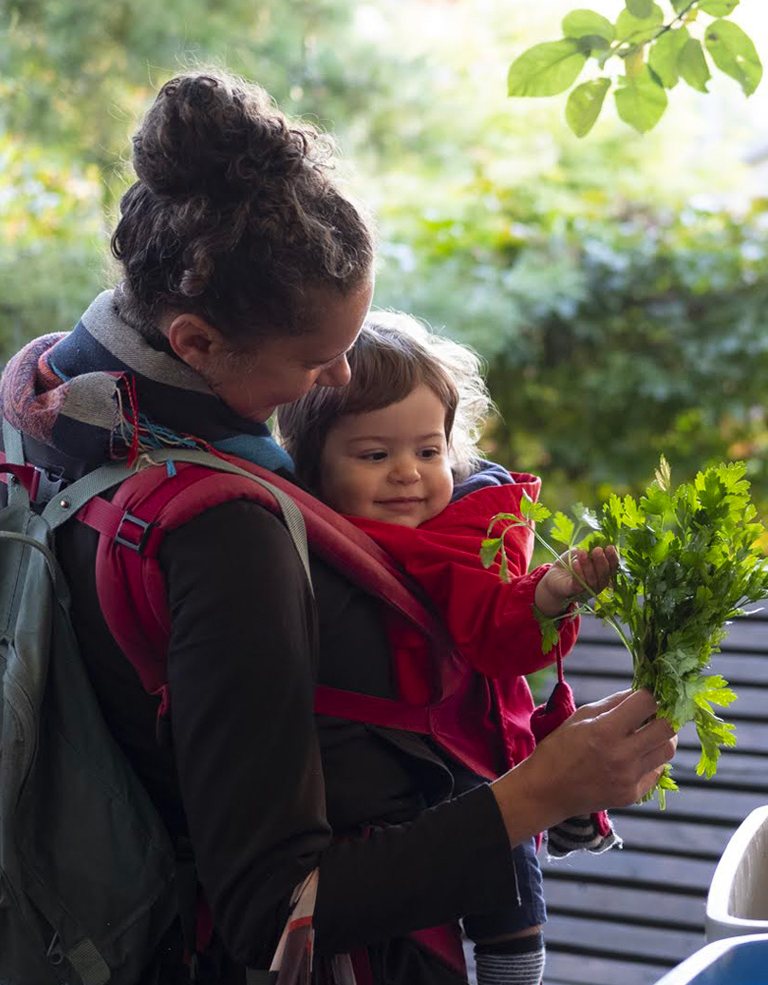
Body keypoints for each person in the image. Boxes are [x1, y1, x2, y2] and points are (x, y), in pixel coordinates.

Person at [0, 71, 677, 985]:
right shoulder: (227, 532)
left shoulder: (47, 412)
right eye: (317, 357)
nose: (339, 379)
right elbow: (275, 912)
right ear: (196, 342)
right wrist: (548, 789)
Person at [276, 311, 618, 985]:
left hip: (469, 738)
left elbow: (499, 634)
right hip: (391, 765)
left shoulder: (462, 537)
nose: (408, 474)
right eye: (376, 455)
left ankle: (515, 961)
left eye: (428, 452)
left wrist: (550, 595)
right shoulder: (306, 536)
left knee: (495, 827)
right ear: (315, 463)